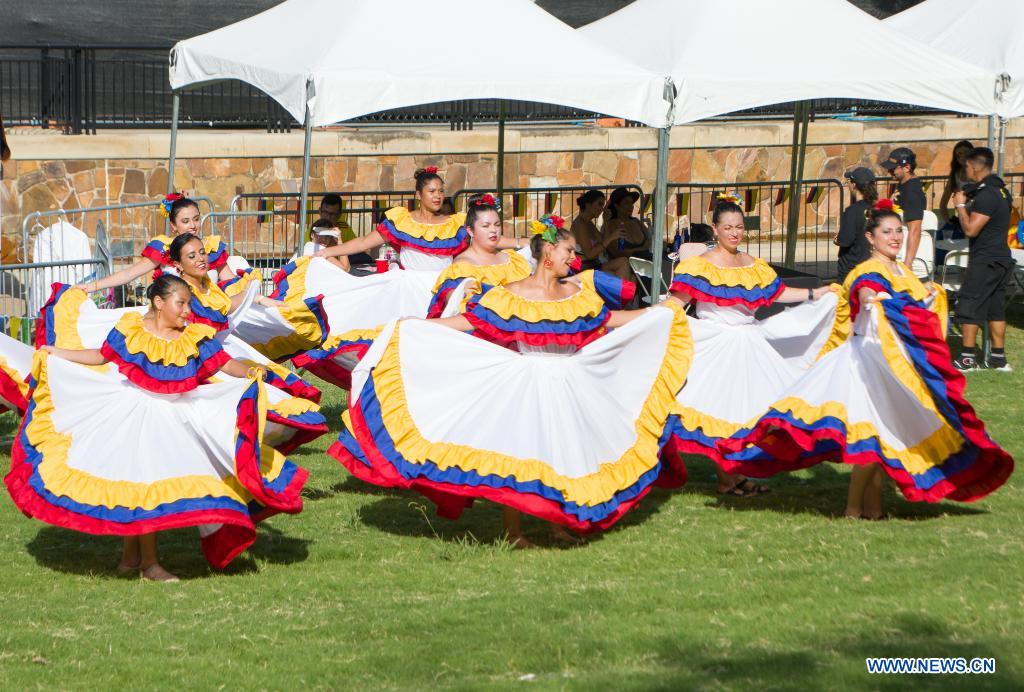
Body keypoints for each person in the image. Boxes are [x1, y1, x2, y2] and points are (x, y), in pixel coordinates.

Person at [328, 215, 691, 547]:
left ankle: (557, 523)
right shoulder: (511, 294)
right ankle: (514, 532)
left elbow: (610, 320)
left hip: (568, 380)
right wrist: (415, 326)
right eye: (568, 250)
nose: (574, 257)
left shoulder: (576, 294)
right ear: (548, 253)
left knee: (560, 451)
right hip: (527, 380)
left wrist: (659, 312)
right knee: (522, 452)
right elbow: (469, 322)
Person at [7, 274, 312, 581]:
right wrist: (58, 353)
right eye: (181, 304)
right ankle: (148, 564)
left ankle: (132, 559)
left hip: (174, 416)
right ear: (158, 302)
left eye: (189, 304)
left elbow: (225, 363)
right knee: (142, 485)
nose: (187, 311)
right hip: (133, 413)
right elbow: (100, 355)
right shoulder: (132, 329)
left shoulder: (193, 336)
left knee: (148, 484)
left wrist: (252, 370)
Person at [717, 202, 1013, 517]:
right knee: (872, 436)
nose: (895, 237)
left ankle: (872, 508)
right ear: (871, 237)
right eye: (887, 232)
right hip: (866, 361)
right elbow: (863, 292)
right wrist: (873, 299)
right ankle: (853, 508)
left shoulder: (903, 272)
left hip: (893, 360)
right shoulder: (867, 272)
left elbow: (913, 306)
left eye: (898, 231)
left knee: (886, 434)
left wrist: (929, 294)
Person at [664, 195, 842, 496]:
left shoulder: (752, 264)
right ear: (715, 229)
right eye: (728, 227)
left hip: (749, 342)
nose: (735, 233)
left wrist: (817, 294)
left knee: (745, 411)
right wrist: (647, 319)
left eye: (739, 227)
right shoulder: (699, 266)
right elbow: (676, 303)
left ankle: (734, 476)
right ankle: (727, 478)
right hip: (713, 344)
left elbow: (778, 292)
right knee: (717, 409)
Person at [74, 194, 234, 293]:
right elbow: (129, 274)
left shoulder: (212, 249)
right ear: (173, 225)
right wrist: (91, 287)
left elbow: (231, 283)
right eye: (185, 221)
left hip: (207, 319)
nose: (193, 225)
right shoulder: (164, 249)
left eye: (196, 219)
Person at [952, 147, 1014, 372]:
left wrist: (960, 206)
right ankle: (998, 358)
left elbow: (971, 229)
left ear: (974, 166)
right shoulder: (1001, 191)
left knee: (969, 304)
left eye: (966, 166)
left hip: (986, 259)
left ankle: (967, 358)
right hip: (1001, 257)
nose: (965, 170)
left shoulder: (987, 195)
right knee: (995, 309)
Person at [426, 193, 532, 318]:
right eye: (486, 226)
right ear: (471, 231)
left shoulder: (513, 259)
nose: (493, 230)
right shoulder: (463, 265)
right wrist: (461, 293)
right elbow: (453, 303)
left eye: (497, 225)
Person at [880, 147, 926, 270]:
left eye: (893, 169)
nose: (889, 172)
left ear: (907, 168)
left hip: (904, 258)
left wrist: (908, 264)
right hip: (894, 251)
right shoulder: (903, 185)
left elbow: (915, 229)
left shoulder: (912, 192)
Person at [834, 167, 877, 284]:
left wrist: (837, 239)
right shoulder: (877, 208)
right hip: (872, 268)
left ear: (853, 185)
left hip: (852, 272)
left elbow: (845, 240)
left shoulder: (852, 211)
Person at [601, 187, 650, 281]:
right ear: (617, 206)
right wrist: (642, 249)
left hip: (646, 266)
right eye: (626, 203)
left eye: (632, 203)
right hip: (626, 269)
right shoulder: (610, 225)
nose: (631, 206)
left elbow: (650, 241)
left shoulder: (637, 222)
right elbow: (616, 253)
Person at [571, 189, 614, 271]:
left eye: (603, 205)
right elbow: (589, 254)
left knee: (623, 263)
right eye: (600, 204)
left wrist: (606, 221)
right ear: (588, 205)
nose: (602, 209)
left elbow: (603, 241)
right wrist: (612, 237)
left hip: (593, 264)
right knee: (622, 264)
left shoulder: (588, 223)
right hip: (583, 267)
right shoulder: (580, 224)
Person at [938, 140, 974, 225]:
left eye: (966, 152)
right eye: (959, 155)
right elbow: (943, 203)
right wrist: (948, 222)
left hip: (980, 219)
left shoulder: (979, 172)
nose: (963, 157)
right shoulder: (955, 175)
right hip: (963, 220)